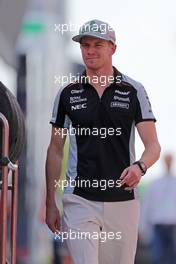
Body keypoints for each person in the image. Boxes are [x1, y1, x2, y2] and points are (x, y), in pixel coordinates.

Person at [45, 19, 161, 264]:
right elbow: (55, 149)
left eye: (98, 44)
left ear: (113, 48)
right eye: (85, 45)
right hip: (79, 199)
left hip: (123, 201)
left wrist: (140, 167)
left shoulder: (133, 90)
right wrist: (50, 203)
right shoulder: (67, 93)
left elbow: (153, 146)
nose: (90, 51)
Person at [140, 153, 176, 264]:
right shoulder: (155, 184)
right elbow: (146, 206)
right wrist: (141, 228)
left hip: (173, 225)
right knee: (157, 257)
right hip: (158, 226)